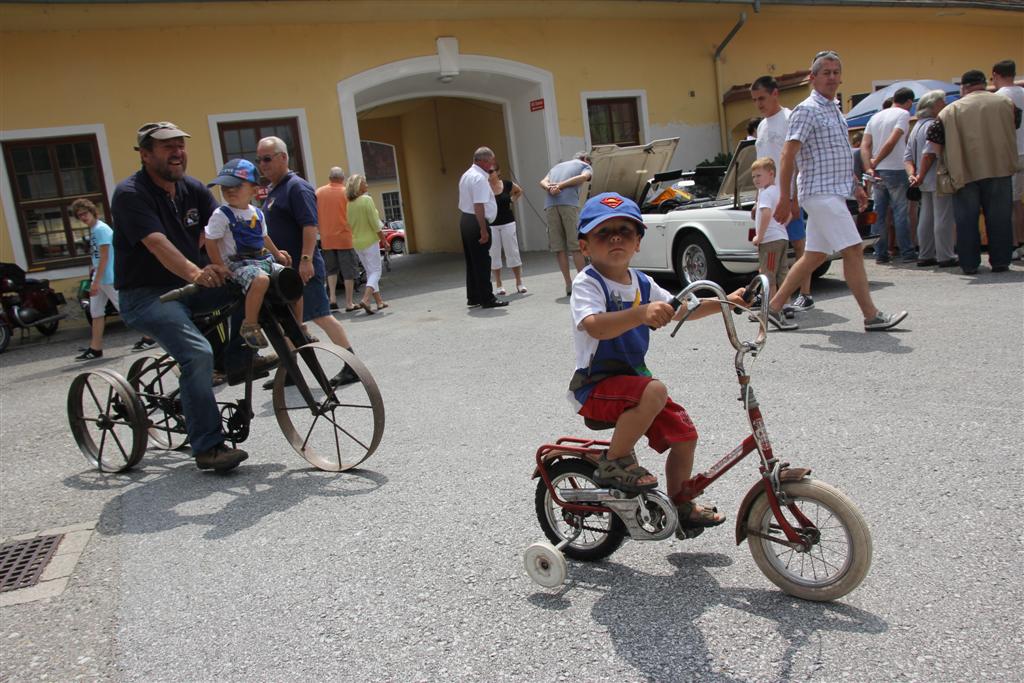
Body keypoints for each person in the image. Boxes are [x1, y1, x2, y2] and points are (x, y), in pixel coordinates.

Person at [568, 192, 744, 532]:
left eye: (625, 231)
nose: (616, 237)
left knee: (684, 434)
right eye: (603, 232)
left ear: (638, 243)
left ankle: (681, 503)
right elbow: (594, 326)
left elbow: (681, 309)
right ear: (585, 246)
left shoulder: (642, 283)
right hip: (595, 385)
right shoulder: (587, 282)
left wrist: (725, 301)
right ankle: (613, 462)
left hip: (632, 382)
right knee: (655, 389)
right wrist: (640, 313)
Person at [112, 121, 273, 471]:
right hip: (148, 296)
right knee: (197, 355)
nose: (177, 152)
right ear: (145, 154)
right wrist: (197, 271)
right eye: (167, 146)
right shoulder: (130, 194)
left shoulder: (192, 188)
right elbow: (157, 244)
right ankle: (209, 446)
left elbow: (217, 227)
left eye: (180, 145)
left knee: (251, 287)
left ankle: (237, 356)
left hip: (193, 287)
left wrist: (229, 265)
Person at [769, 51, 908, 332]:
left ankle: (772, 308)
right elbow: (787, 154)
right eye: (826, 72)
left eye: (835, 72)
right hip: (819, 192)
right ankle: (871, 315)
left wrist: (855, 185)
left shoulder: (834, 109)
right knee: (853, 249)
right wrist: (785, 197)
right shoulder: (806, 109)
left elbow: (840, 153)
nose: (832, 77)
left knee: (814, 256)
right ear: (813, 77)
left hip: (832, 191)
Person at [256, 136, 360, 385]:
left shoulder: (296, 187)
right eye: (259, 159)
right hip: (284, 270)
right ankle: (290, 370)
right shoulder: (274, 189)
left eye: (267, 158)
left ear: (283, 157)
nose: (263, 164)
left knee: (321, 315)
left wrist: (305, 259)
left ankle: (352, 365)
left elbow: (310, 225)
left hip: (302, 268)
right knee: (291, 320)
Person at [926, 69, 1020, 274]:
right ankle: (1001, 261)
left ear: (964, 86)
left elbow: (934, 138)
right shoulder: (1006, 103)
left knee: (966, 220)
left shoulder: (950, 110)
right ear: (984, 84)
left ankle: (969, 264)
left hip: (964, 171)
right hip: (999, 167)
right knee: (1000, 217)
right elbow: (1016, 124)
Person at [203, 159, 294, 348]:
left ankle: (297, 326)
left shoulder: (257, 213)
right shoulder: (221, 214)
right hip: (238, 265)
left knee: (292, 279)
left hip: (260, 259)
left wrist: (278, 255)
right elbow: (210, 241)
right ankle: (250, 325)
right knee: (261, 280)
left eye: (236, 186)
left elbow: (264, 238)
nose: (230, 190)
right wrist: (220, 265)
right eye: (225, 187)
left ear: (254, 190)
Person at [751, 75, 812, 310]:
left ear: (775, 93)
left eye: (762, 98)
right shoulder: (762, 125)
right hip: (768, 195)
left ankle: (805, 293)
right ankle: (772, 294)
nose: (758, 104)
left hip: (787, 192)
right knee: (771, 245)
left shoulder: (789, 119)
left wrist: (794, 198)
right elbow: (760, 165)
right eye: (755, 100)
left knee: (798, 243)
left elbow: (797, 160)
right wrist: (758, 200)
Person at [862, 86, 917, 263]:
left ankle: (881, 253)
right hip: (896, 169)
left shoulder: (875, 116)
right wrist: (876, 161)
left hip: (877, 172)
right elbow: (892, 141)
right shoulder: (902, 115)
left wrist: (870, 166)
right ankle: (907, 252)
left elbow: (865, 145)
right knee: (900, 213)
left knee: (879, 213)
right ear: (908, 102)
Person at [904, 90, 957, 268]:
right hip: (935, 177)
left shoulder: (916, 127)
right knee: (943, 217)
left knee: (926, 216)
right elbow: (930, 154)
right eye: (942, 101)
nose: (945, 104)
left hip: (923, 179)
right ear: (934, 105)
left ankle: (925, 253)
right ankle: (945, 255)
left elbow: (908, 156)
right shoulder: (933, 125)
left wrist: (913, 175)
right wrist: (920, 175)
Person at [458, 146, 507, 309]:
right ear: (484, 162)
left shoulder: (466, 175)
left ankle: (473, 296)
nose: (493, 165)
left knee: (472, 261)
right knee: (482, 261)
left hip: (466, 219)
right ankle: (487, 298)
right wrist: (483, 230)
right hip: (476, 221)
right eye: (491, 161)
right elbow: (478, 205)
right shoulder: (479, 178)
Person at [541, 152, 593, 296]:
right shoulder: (585, 165)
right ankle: (583, 284)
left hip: (550, 206)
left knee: (559, 248)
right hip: (569, 205)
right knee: (575, 246)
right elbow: (583, 177)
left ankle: (568, 284)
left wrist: (550, 188)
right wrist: (560, 186)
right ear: (585, 159)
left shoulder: (556, 167)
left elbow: (543, 181)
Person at [72, 198, 118, 361]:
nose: (83, 217)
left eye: (85, 213)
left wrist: (96, 282)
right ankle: (95, 347)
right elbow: (97, 257)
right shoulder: (95, 230)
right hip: (101, 277)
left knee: (126, 309)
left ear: (93, 212)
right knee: (96, 312)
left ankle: (150, 338)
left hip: (109, 277)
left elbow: (105, 257)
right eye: (80, 215)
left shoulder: (100, 229)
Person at [992, 59, 1024, 260]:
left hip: (1010, 153)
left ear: (995, 74)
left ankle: (1015, 244)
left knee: (1012, 202)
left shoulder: (998, 98)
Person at [316, 167, 360, 311]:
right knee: (348, 271)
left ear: (330, 178)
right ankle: (348, 302)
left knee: (331, 270)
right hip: (344, 237)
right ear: (342, 179)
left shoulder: (319, 192)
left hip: (326, 237)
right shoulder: (347, 193)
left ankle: (332, 298)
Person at [346, 173, 387, 313]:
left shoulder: (349, 204)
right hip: (369, 240)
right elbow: (375, 224)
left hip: (357, 242)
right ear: (359, 186)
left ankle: (379, 302)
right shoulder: (367, 200)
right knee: (376, 271)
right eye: (365, 182)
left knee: (370, 272)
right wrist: (384, 239)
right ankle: (365, 299)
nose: (367, 185)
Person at [750, 158, 790, 295]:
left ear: (771, 173)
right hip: (782, 237)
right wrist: (782, 226)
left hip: (770, 241)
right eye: (753, 176)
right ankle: (785, 305)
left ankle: (771, 309)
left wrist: (760, 236)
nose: (755, 179)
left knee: (769, 277)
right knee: (782, 272)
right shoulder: (779, 192)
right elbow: (789, 214)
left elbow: (766, 213)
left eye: (759, 175)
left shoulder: (766, 193)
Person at [488, 162, 526, 295]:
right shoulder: (484, 187)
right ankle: (498, 284)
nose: (489, 174)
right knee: (494, 254)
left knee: (512, 252)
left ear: (498, 172)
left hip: (508, 223)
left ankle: (519, 282)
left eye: (491, 171)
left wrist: (512, 200)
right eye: (487, 172)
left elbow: (519, 191)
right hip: (492, 224)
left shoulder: (507, 184)